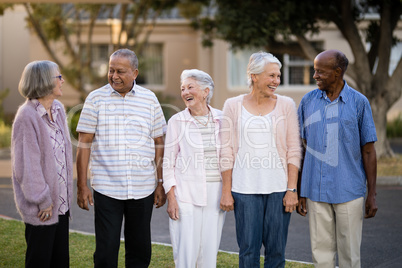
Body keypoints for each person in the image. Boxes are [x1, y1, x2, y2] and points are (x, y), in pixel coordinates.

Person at [76, 48, 167, 267]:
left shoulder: (150, 99)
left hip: (142, 187)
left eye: (120, 71)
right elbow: (84, 144)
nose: (114, 76)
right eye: (111, 70)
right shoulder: (95, 99)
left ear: (135, 73)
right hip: (107, 188)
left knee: (140, 249)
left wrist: (160, 183)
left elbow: (159, 142)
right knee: (106, 250)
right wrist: (82, 186)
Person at [219, 51, 302, 268]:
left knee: (276, 251)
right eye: (271, 76)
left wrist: (292, 190)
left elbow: (294, 149)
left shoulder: (286, 105)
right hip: (244, 189)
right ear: (254, 76)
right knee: (248, 251)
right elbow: (226, 151)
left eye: (278, 76)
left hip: (278, 189)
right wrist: (226, 191)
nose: (276, 81)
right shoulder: (232, 105)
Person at [297, 49, 378, 268]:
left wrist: (371, 194)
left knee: (350, 255)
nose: (315, 76)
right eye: (314, 71)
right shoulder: (307, 102)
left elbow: (369, 151)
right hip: (315, 190)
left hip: (349, 191)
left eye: (320, 72)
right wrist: (299, 189)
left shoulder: (359, 103)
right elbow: (300, 149)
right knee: (320, 255)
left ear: (337, 72)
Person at [11, 60, 73, 267]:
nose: (62, 81)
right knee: (40, 261)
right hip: (43, 208)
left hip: (60, 205)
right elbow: (27, 167)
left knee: (60, 261)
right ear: (45, 81)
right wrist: (43, 200)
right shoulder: (26, 116)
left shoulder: (57, 110)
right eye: (58, 77)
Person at [163, 69, 226, 267]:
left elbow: (229, 157)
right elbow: (168, 162)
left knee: (209, 249)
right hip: (185, 193)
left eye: (190, 87)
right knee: (186, 249)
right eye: (183, 88)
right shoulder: (177, 121)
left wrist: (228, 191)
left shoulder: (223, 119)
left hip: (215, 192)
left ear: (206, 91)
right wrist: (171, 197)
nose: (185, 92)